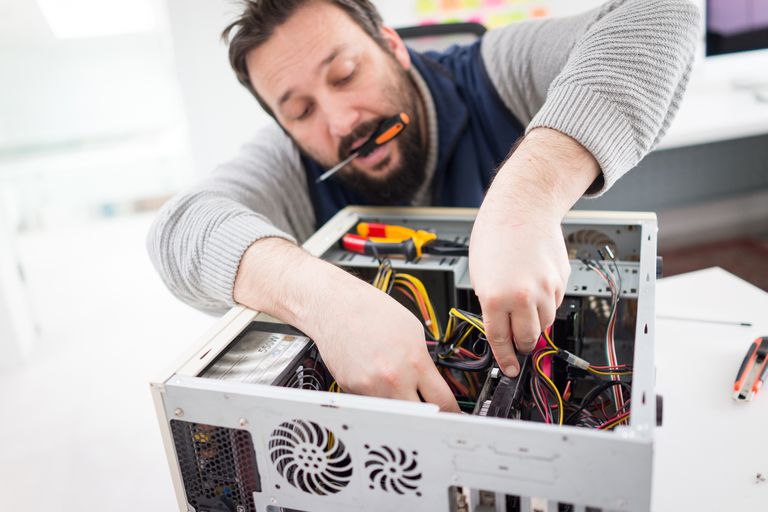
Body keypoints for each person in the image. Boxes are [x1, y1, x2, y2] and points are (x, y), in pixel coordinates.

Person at [148, 0, 699, 412]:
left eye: (345, 75)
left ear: (393, 45)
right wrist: (327, 301)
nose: (340, 122)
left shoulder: (493, 73)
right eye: (299, 111)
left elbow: (661, 12)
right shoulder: (292, 164)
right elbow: (178, 228)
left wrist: (526, 196)